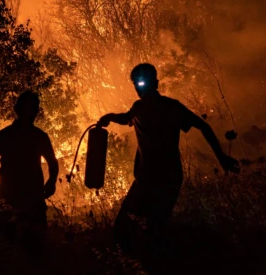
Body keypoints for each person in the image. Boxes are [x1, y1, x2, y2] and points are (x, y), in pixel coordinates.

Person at [97, 63, 240, 252]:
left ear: (155, 83)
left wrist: (221, 157)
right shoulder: (138, 108)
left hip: (165, 180)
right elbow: (126, 118)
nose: (139, 88)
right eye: (136, 84)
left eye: (142, 82)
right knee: (127, 228)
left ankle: (156, 270)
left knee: (151, 228)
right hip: (146, 179)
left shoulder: (171, 108)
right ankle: (133, 269)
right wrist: (109, 117)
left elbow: (202, 125)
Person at [0, 91, 59, 253]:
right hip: (21, 197)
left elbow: (52, 162)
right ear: (19, 110)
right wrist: (51, 181)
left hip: (22, 197)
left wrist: (52, 181)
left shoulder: (9, 135)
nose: (32, 112)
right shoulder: (34, 136)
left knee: (16, 246)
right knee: (17, 246)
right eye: (29, 108)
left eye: (33, 109)